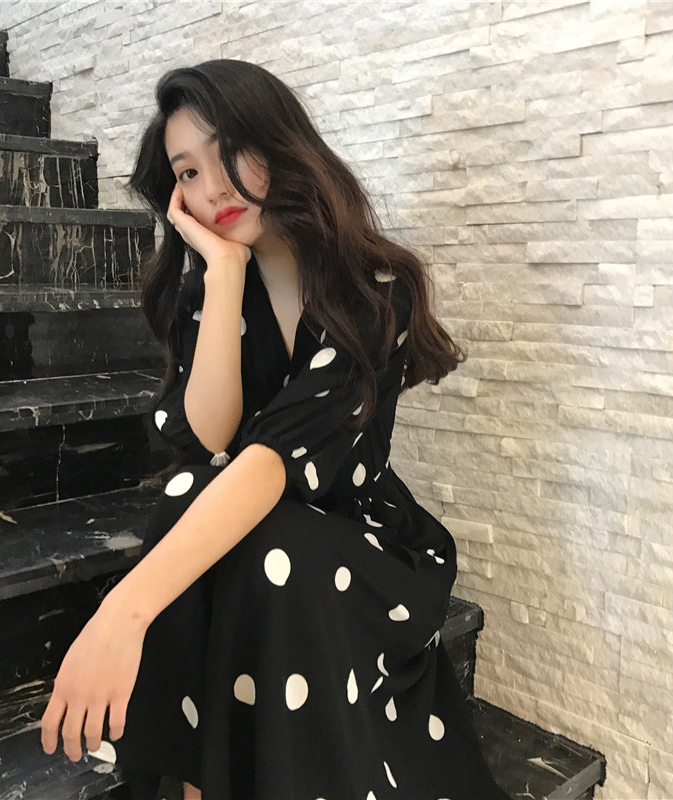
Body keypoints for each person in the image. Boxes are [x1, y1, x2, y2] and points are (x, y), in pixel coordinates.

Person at [40, 59, 511, 800]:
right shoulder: (212, 288)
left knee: (266, 539)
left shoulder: (371, 294)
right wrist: (225, 273)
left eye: (228, 151)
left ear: (279, 141)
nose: (212, 188)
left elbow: (269, 463)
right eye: (187, 173)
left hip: (358, 545)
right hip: (256, 538)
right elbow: (209, 436)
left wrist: (124, 610)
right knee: (198, 494)